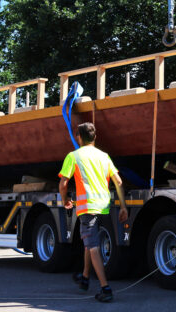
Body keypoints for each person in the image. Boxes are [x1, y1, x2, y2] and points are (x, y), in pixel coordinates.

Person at [58, 122, 128, 303]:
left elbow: (63, 184)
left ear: (78, 138)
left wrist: (65, 200)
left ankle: (106, 288)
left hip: (87, 207)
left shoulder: (73, 156)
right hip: (104, 206)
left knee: (93, 245)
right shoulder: (104, 156)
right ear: (95, 137)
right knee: (90, 242)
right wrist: (123, 207)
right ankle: (85, 277)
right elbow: (119, 182)